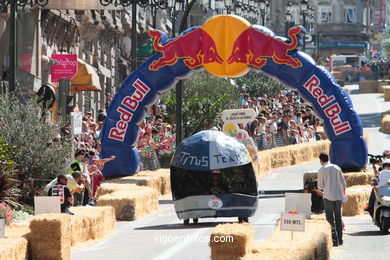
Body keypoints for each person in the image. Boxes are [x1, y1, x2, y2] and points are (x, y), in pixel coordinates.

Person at [316, 153, 346, 247]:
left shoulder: (321, 170)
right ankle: (340, 240)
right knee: (338, 218)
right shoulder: (337, 167)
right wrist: (343, 194)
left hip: (328, 196)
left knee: (330, 219)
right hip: (338, 196)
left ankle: (334, 240)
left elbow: (320, 186)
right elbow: (344, 183)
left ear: (321, 160)